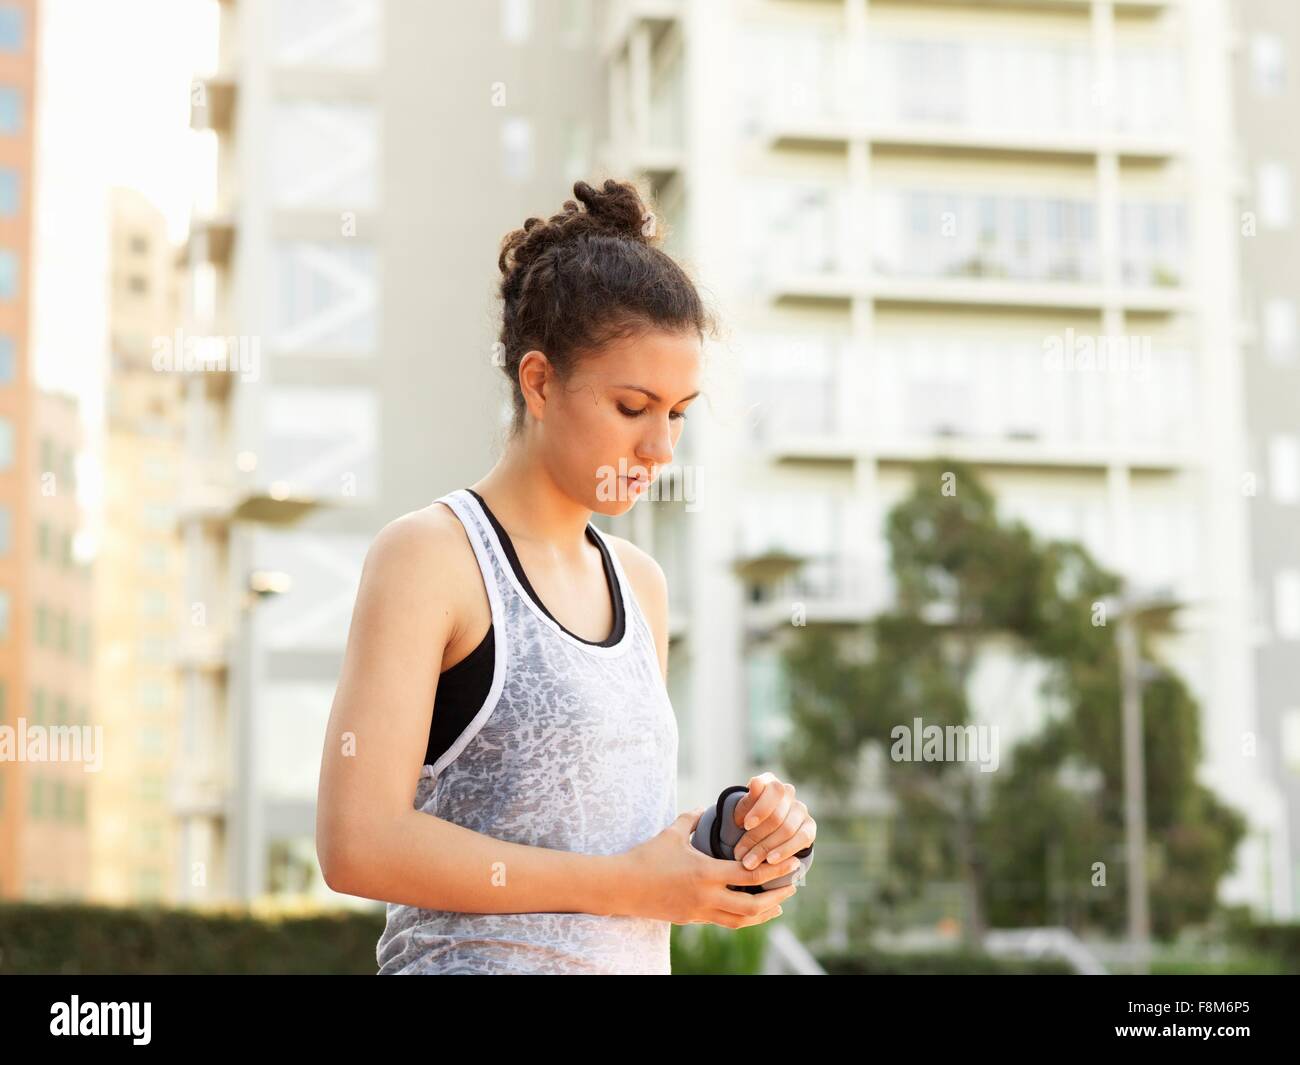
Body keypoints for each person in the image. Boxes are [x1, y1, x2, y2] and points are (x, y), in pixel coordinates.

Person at [315, 178, 817, 975]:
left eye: (678, 412)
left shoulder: (640, 585)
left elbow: (614, 848)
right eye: (632, 406)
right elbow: (358, 842)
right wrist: (628, 885)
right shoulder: (430, 557)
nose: (660, 448)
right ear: (540, 381)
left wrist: (738, 840)